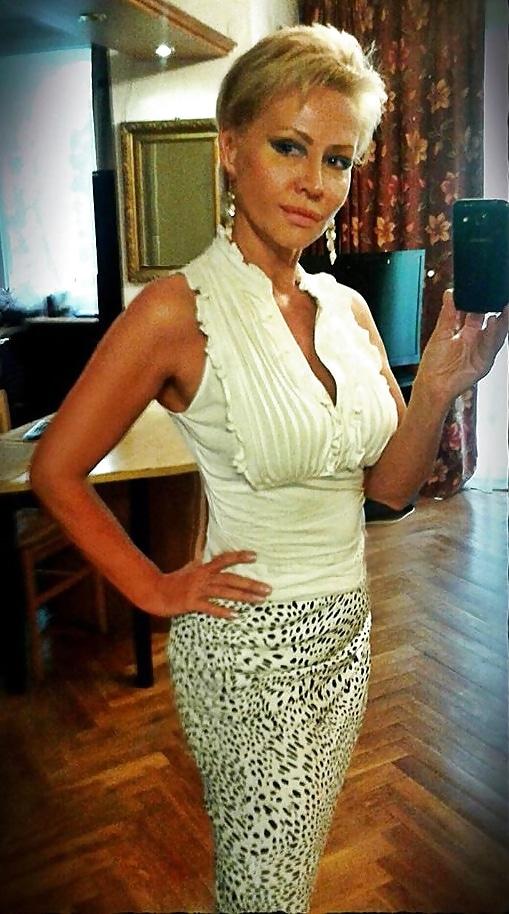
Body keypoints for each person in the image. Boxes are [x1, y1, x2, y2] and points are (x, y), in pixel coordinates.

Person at [30, 23, 507, 914]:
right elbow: (56, 470)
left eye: (337, 159)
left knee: (278, 876)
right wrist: (153, 587)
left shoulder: (347, 308)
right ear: (229, 148)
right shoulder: (175, 312)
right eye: (289, 146)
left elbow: (384, 492)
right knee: (264, 892)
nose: (313, 181)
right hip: (247, 653)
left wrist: (442, 385)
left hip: (345, 637)